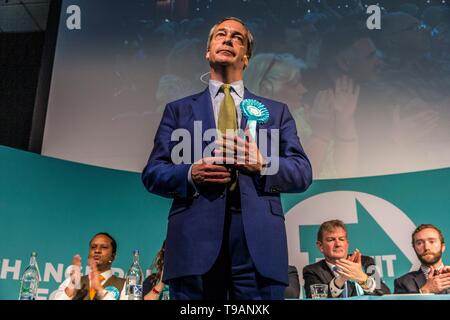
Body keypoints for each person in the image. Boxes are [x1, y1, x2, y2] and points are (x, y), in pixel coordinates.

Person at [142, 17, 312, 300]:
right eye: (221, 34)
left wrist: (264, 164)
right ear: (208, 52)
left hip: (257, 247)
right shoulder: (178, 111)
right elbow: (153, 173)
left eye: (238, 37)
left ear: (246, 58)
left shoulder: (276, 111)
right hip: (193, 244)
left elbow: (302, 172)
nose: (229, 39)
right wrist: (190, 174)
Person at [303, 220, 390, 298]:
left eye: (341, 239)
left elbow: (385, 293)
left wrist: (363, 278)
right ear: (320, 246)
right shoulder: (312, 271)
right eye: (331, 240)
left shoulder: (366, 262)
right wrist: (341, 279)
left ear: (347, 244)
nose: (338, 244)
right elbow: (314, 298)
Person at [52, 233, 126, 300]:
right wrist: (71, 287)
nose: (97, 250)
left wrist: (100, 290)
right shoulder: (70, 282)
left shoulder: (125, 285)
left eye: (104, 247)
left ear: (113, 256)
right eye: (93, 247)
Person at [394, 224, 450, 294]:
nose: (426, 247)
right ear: (414, 249)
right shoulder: (402, 283)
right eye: (419, 243)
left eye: (431, 241)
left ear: (443, 247)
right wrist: (424, 291)